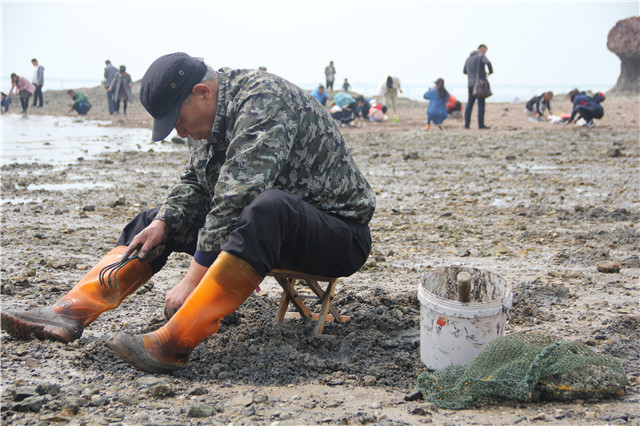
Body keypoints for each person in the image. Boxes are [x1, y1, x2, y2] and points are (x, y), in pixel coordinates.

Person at [1, 52, 375, 374]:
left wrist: (192, 279)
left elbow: (238, 194)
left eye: (178, 121)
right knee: (155, 221)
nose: (180, 133)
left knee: (267, 206)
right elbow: (197, 184)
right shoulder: (212, 118)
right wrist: (164, 221)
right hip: (268, 227)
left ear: (202, 92)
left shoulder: (264, 99)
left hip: (340, 235)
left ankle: (174, 342)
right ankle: (70, 313)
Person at [463, 44, 493, 129]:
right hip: (479, 84)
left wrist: (471, 75)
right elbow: (488, 62)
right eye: (485, 50)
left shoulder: (468, 59)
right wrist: (489, 72)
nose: (485, 53)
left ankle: (467, 124)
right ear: (481, 49)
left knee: (470, 104)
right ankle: (481, 124)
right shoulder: (480, 56)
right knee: (481, 104)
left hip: (470, 84)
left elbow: (464, 71)